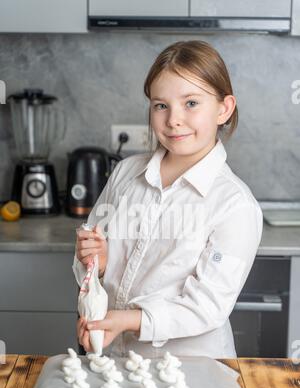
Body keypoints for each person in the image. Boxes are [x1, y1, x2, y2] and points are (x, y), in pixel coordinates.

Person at [73, 40, 263, 359]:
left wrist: (128, 321)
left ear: (223, 108)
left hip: (190, 369)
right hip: (110, 356)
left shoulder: (235, 205)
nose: (173, 119)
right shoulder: (124, 174)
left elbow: (206, 307)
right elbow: (87, 264)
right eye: (161, 105)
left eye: (191, 103)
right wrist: (98, 265)